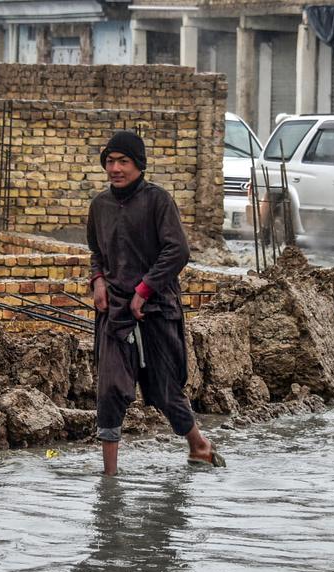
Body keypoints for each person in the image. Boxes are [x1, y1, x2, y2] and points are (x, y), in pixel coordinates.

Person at [87, 130, 224, 475]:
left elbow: (177, 250)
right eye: (110, 161)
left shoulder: (157, 201)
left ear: (139, 165)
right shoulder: (100, 206)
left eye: (123, 161)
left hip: (157, 309)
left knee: (165, 388)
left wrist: (145, 289)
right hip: (115, 312)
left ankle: (199, 446)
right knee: (111, 389)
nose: (115, 168)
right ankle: (110, 479)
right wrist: (98, 280)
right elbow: (95, 252)